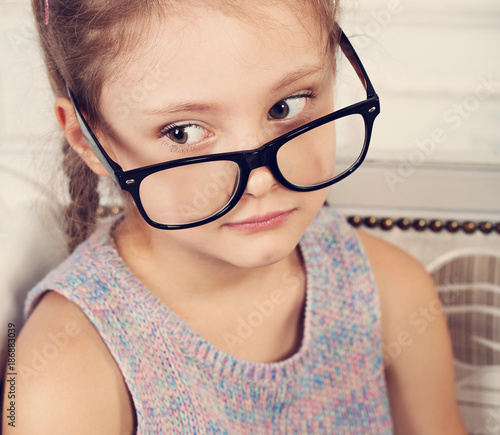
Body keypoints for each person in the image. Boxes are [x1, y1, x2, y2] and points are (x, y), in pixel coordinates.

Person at [2, 0, 466, 433]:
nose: (261, 179)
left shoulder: (388, 290)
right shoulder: (62, 374)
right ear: (88, 140)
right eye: (183, 132)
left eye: (286, 106)